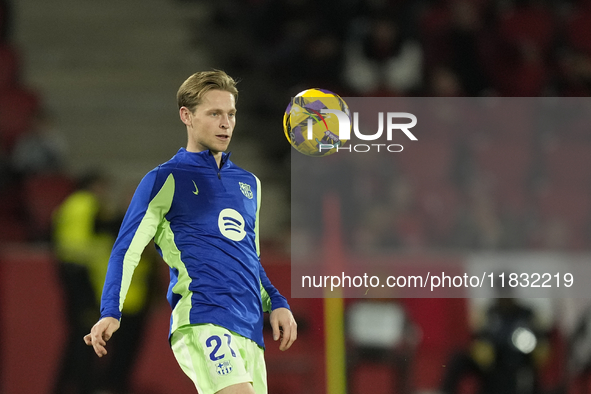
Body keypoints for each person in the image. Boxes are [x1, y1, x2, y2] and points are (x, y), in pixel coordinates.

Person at [84, 70, 297, 394]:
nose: (226, 123)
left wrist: (277, 301)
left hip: (249, 331)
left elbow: (248, 259)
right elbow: (126, 250)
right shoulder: (165, 179)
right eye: (215, 114)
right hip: (202, 318)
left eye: (231, 114)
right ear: (187, 116)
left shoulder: (248, 184)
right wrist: (111, 311)